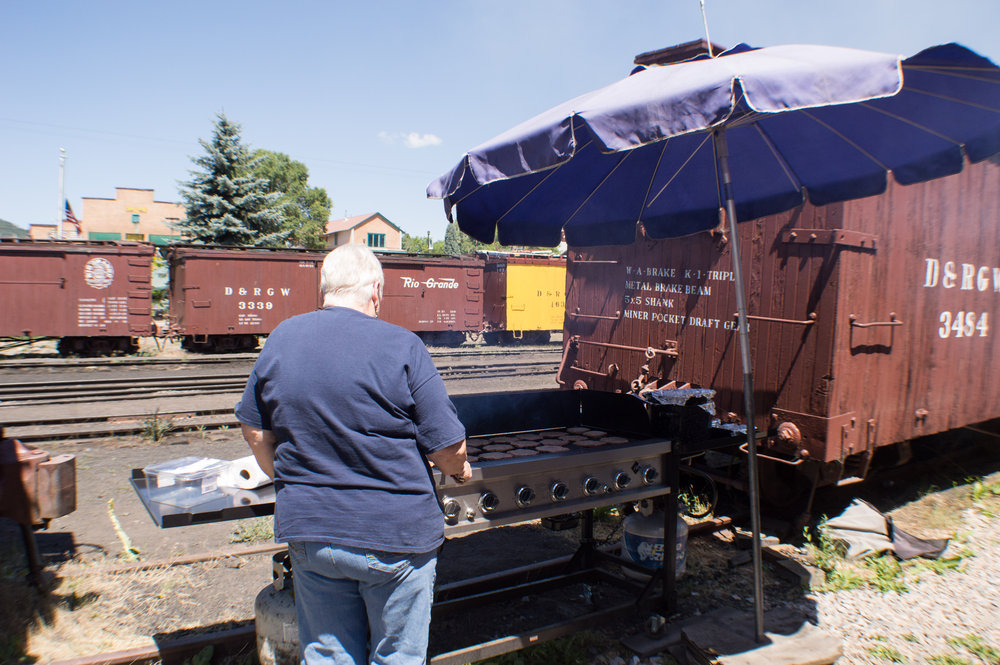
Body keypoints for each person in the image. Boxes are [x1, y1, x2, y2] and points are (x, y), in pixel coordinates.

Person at [235, 243, 471, 665]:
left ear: (324, 290)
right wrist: (460, 470)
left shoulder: (281, 338)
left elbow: (254, 429)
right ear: (375, 291)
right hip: (394, 536)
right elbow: (447, 447)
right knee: (396, 656)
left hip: (312, 532)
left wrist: (287, 477)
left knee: (327, 657)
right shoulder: (403, 346)